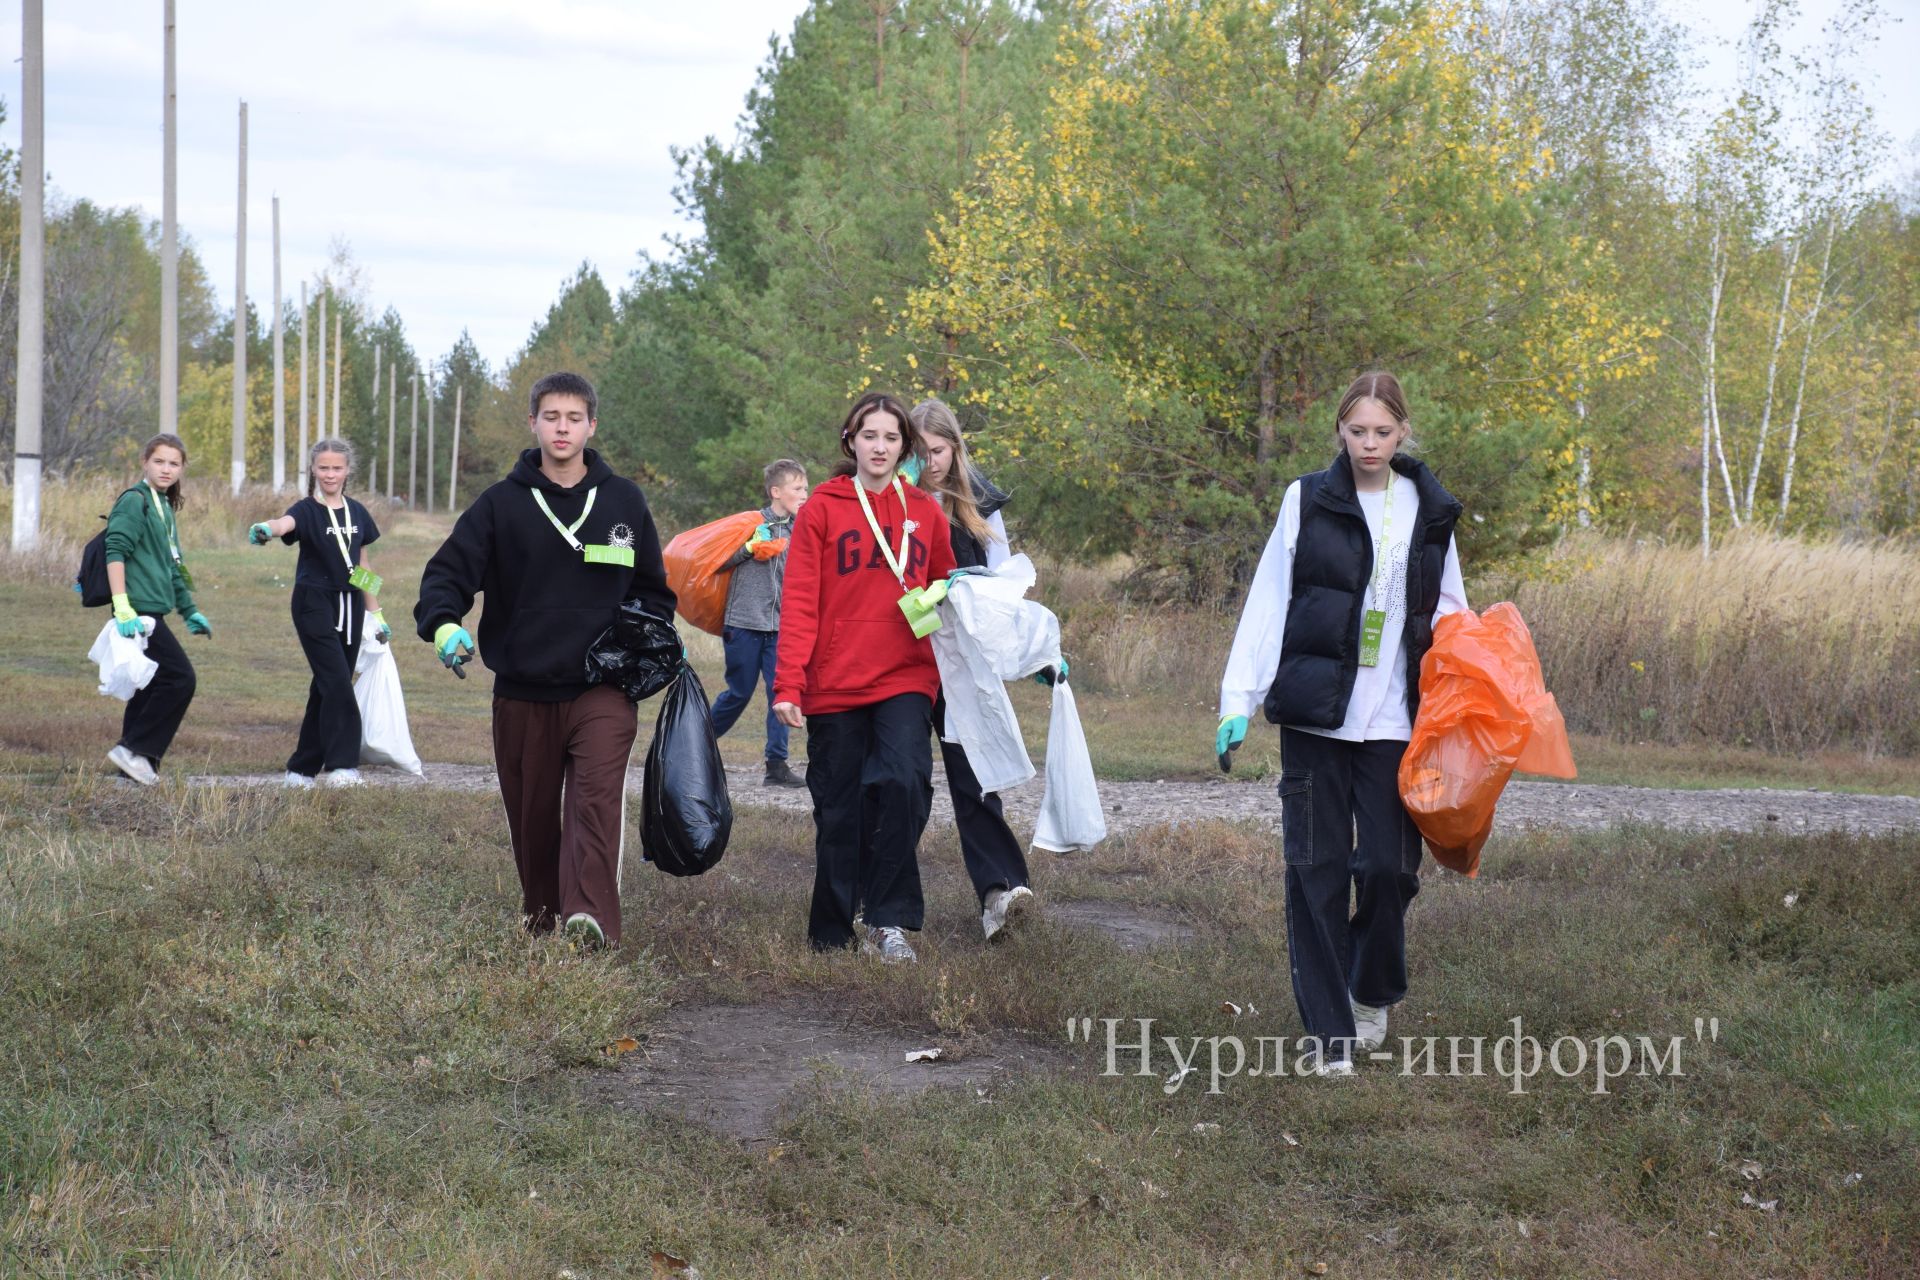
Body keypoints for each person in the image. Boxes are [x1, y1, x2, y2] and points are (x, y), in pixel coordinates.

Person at [1216, 371, 1466, 1076]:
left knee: (1388, 868)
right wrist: (1238, 699)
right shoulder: (1307, 500)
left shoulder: (1428, 506)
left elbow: (1449, 607)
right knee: (1315, 870)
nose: (1369, 444)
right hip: (1314, 717)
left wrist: (1469, 686)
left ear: (1403, 433)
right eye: (1357, 431)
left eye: (1383, 432)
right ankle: (1329, 1038)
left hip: (1394, 722)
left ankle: (1372, 989)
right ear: (1339, 431)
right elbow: (1268, 603)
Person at [413, 371, 675, 949]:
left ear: (592, 426)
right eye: (552, 416)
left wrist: (635, 648)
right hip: (524, 688)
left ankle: (589, 919)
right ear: (532, 422)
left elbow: (654, 593)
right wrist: (446, 623)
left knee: (595, 800)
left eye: (574, 417)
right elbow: (445, 575)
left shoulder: (624, 499)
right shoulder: (501, 505)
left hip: (602, 689)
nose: (563, 427)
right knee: (532, 821)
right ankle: (542, 919)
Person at [773, 391, 956, 963]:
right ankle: (831, 929)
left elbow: (950, 587)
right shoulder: (821, 508)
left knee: (904, 783)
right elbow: (800, 600)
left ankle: (886, 921)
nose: (879, 446)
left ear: (905, 447)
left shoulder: (924, 511)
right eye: (869, 435)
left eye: (891, 437)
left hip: (905, 675)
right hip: (834, 681)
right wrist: (788, 684)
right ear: (850, 441)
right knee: (838, 803)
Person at [909, 398, 1036, 941]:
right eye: (920, 452)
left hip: (963, 661)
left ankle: (999, 893)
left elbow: (1007, 579)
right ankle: (881, 901)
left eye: (938, 450)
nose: (930, 461)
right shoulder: (892, 502)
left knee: (976, 776)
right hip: (908, 659)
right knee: (904, 783)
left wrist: (1033, 652)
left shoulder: (980, 501)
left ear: (956, 447)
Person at [248, 438, 389, 789]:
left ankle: (301, 769)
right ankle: (343, 766)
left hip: (351, 605)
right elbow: (284, 524)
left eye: (336, 468)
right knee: (338, 682)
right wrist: (267, 529)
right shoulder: (306, 510)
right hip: (314, 603)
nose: (330, 474)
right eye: (323, 467)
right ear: (313, 469)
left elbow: (362, 564)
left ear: (347, 471)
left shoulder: (357, 512)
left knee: (324, 686)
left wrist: (377, 614)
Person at [102, 433, 211, 786]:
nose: (166, 469)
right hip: (137, 614)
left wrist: (190, 610)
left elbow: (174, 566)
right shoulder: (135, 501)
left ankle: (130, 773)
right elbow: (114, 551)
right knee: (180, 678)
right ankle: (133, 750)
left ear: (182, 469)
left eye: (174, 463)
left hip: (153, 611)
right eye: (159, 461)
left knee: (147, 689)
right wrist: (121, 607)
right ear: (144, 462)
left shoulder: (163, 507)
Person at [708, 459, 810, 788]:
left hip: (781, 627)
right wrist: (748, 548)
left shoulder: (802, 529)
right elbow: (716, 561)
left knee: (781, 694)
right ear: (776, 492)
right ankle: (694, 743)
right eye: (798, 489)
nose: (804, 494)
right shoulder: (750, 524)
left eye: (806, 488)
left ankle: (776, 766)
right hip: (743, 624)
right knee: (738, 693)